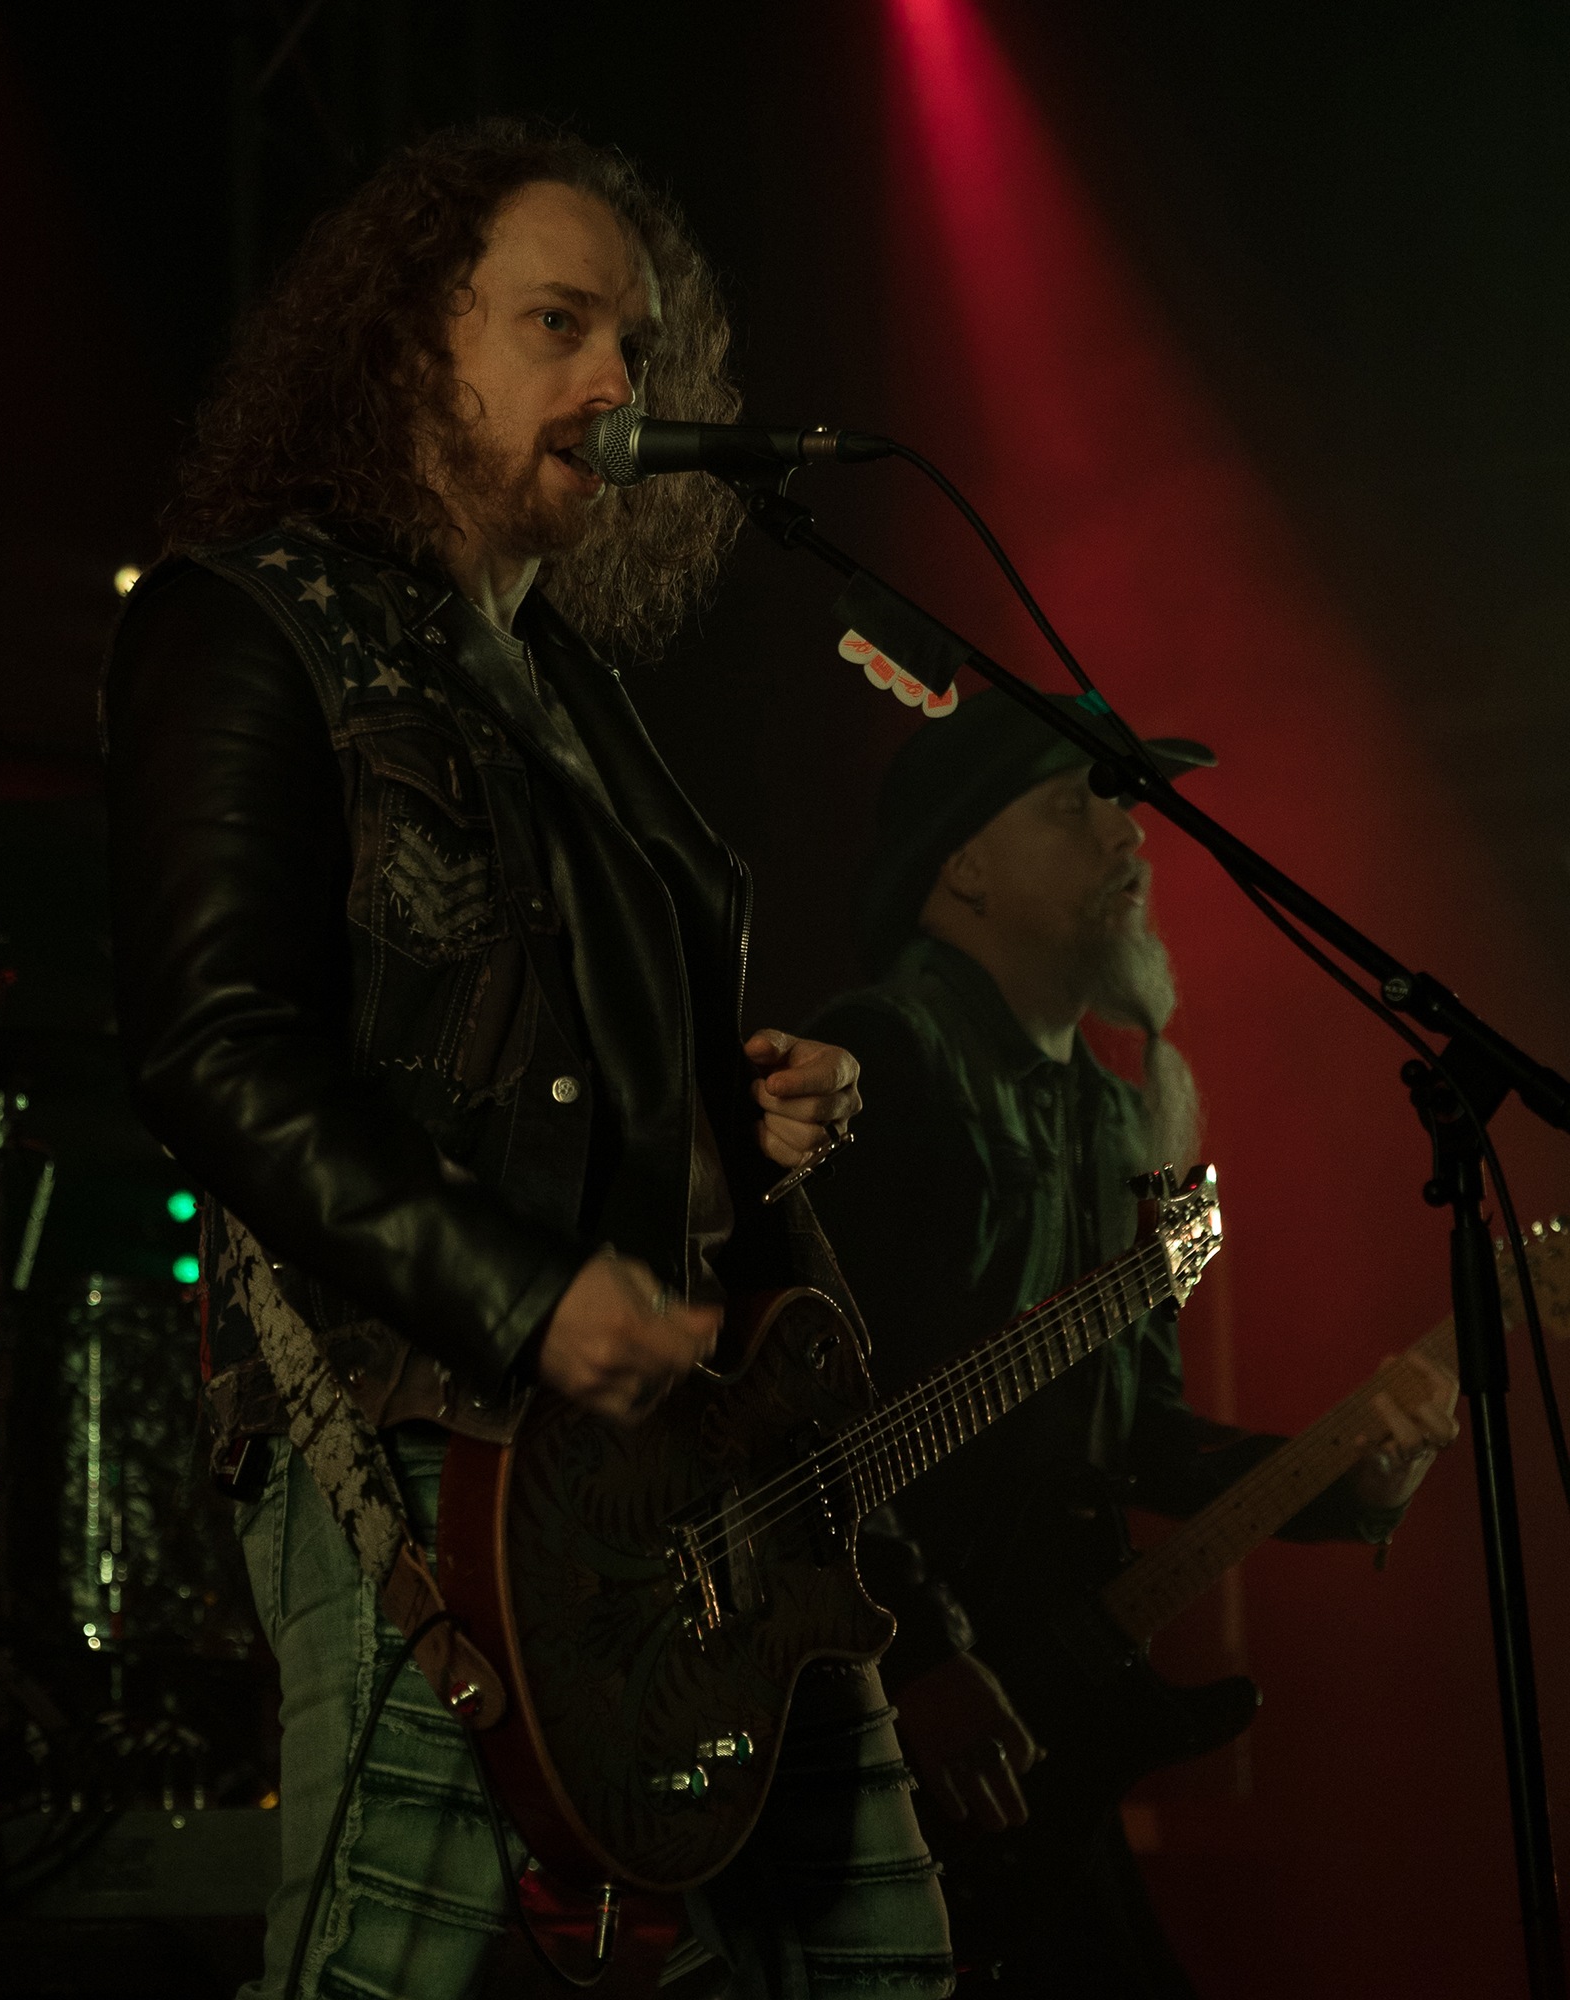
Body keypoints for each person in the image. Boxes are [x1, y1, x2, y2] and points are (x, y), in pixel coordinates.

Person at [106, 122, 958, 1999]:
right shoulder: (248, 622)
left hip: (695, 1467)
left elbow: (588, 1068)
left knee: (876, 1966)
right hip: (434, 1437)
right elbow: (214, 1050)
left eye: (635, 343)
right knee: (381, 1977)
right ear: (413, 344)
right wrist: (524, 1295)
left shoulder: (569, 682)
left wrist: (748, 1115)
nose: (615, 382)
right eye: (557, 324)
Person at [806, 690, 1460, 1998]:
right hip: (867, 1716)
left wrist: (1353, 1474)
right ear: (964, 866)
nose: (1132, 836)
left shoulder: (1121, 1122)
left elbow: (1139, 1432)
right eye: (1076, 805)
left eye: (1125, 807)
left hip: (1037, 1716)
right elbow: (798, 1409)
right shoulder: (881, 1060)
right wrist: (915, 1657)